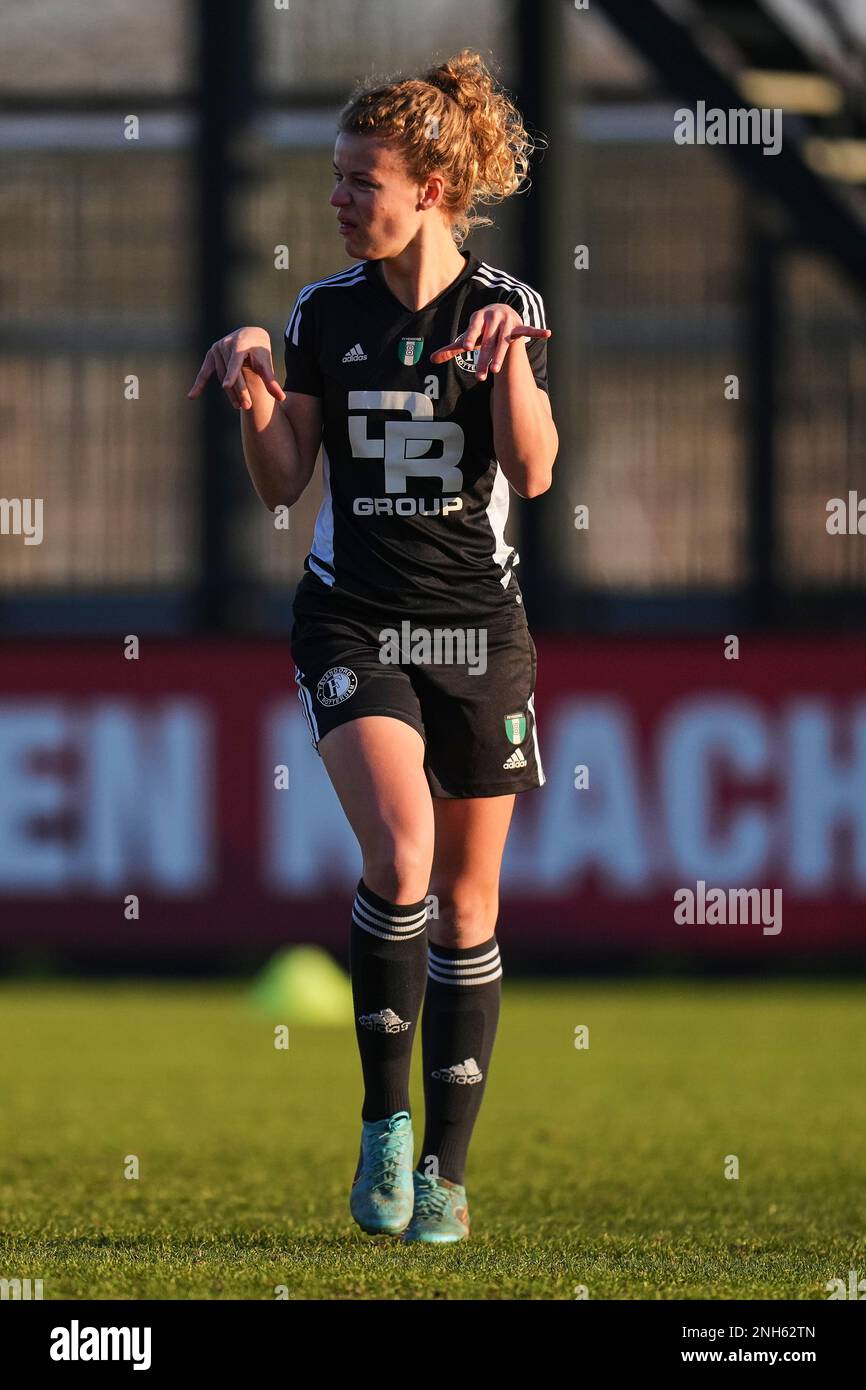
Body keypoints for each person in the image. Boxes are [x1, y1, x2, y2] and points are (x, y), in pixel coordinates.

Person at [188, 48, 558, 1244]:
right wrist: (255, 394)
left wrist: (507, 364)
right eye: (337, 178)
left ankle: (445, 1174)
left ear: (433, 188)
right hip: (354, 616)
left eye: (363, 181)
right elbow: (282, 484)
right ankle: (382, 1126)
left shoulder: (504, 306)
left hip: (478, 629)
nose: (340, 201)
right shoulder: (321, 314)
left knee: (466, 902)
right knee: (400, 857)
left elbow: (537, 472)